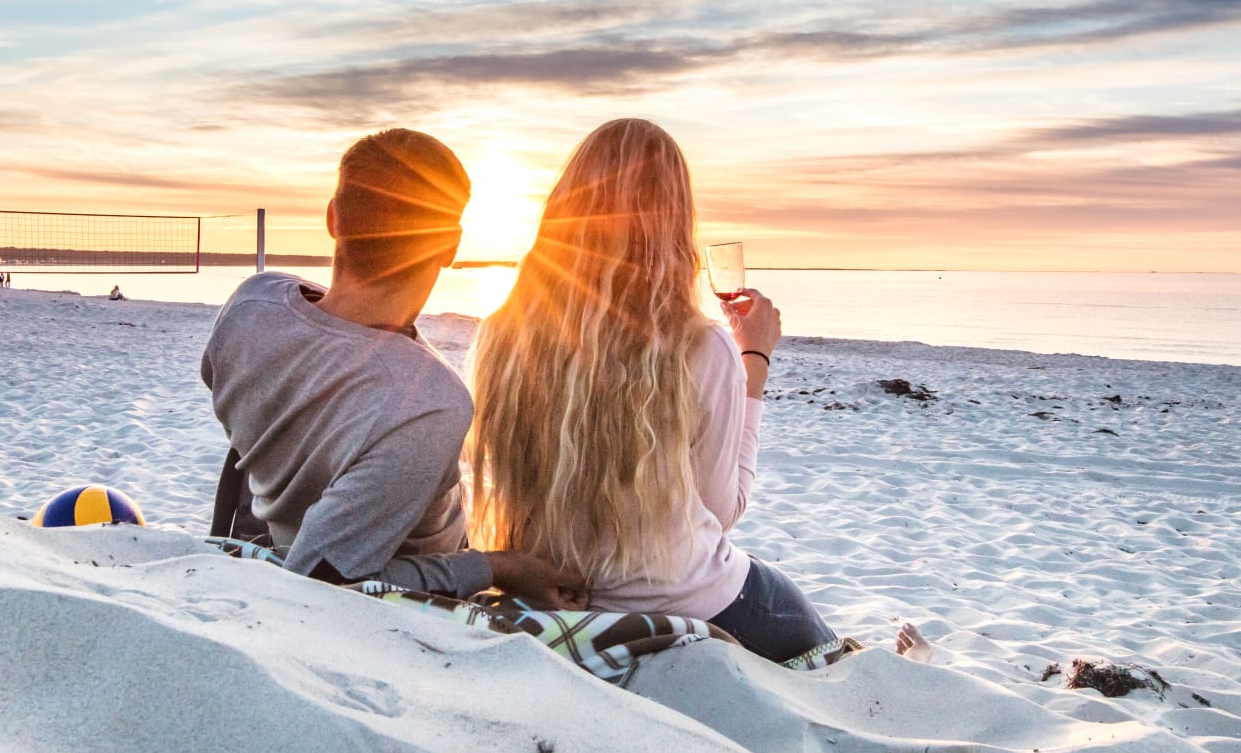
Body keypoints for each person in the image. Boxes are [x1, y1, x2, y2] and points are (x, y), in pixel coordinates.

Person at [467, 118, 930, 663]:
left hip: (548, 596)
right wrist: (752, 359)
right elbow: (724, 508)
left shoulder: (499, 333)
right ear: (673, 225)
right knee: (812, 636)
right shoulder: (701, 347)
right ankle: (898, 669)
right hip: (684, 603)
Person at [200, 128, 584, 608]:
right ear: (449, 247)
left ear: (333, 218)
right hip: (392, 608)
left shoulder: (250, 304)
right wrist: (497, 567)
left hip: (270, 522)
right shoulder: (428, 401)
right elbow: (320, 578)